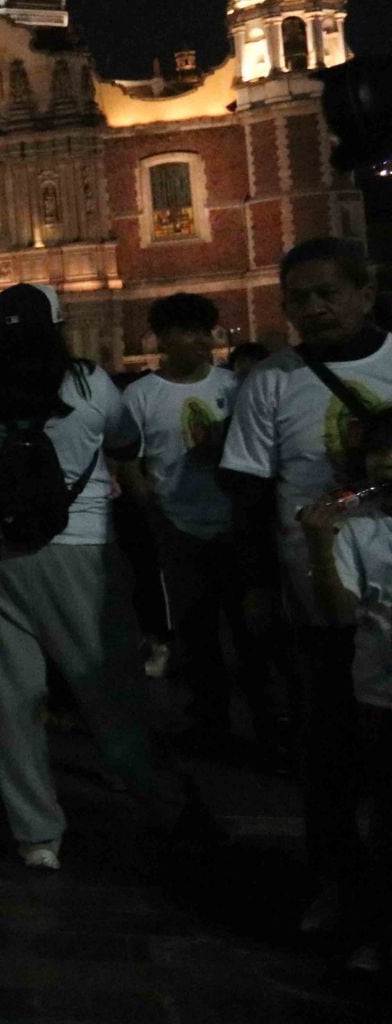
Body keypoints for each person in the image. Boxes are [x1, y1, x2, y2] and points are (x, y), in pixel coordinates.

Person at [0, 282, 204, 870]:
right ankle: (162, 799)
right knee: (107, 687)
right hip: (79, 547)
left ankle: (36, 835)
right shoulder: (87, 384)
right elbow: (124, 440)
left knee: (11, 699)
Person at [222, 236, 392, 933]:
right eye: (298, 299)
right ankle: (335, 880)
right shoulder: (272, 382)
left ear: (365, 292)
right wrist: (258, 586)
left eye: (327, 293)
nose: (313, 309)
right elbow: (247, 492)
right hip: (317, 600)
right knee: (326, 756)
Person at [117, 294, 269, 749]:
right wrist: (156, 515)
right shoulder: (141, 395)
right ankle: (211, 720)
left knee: (251, 632)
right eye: (188, 331)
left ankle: (265, 721)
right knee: (197, 631)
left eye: (206, 330)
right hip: (179, 530)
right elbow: (129, 463)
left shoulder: (234, 387)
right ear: (161, 339)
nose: (202, 341)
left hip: (234, 526)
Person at [301, 408, 392, 976]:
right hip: (381, 696)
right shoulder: (362, 529)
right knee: (385, 821)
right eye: (379, 453)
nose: (387, 463)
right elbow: (339, 612)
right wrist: (317, 545)